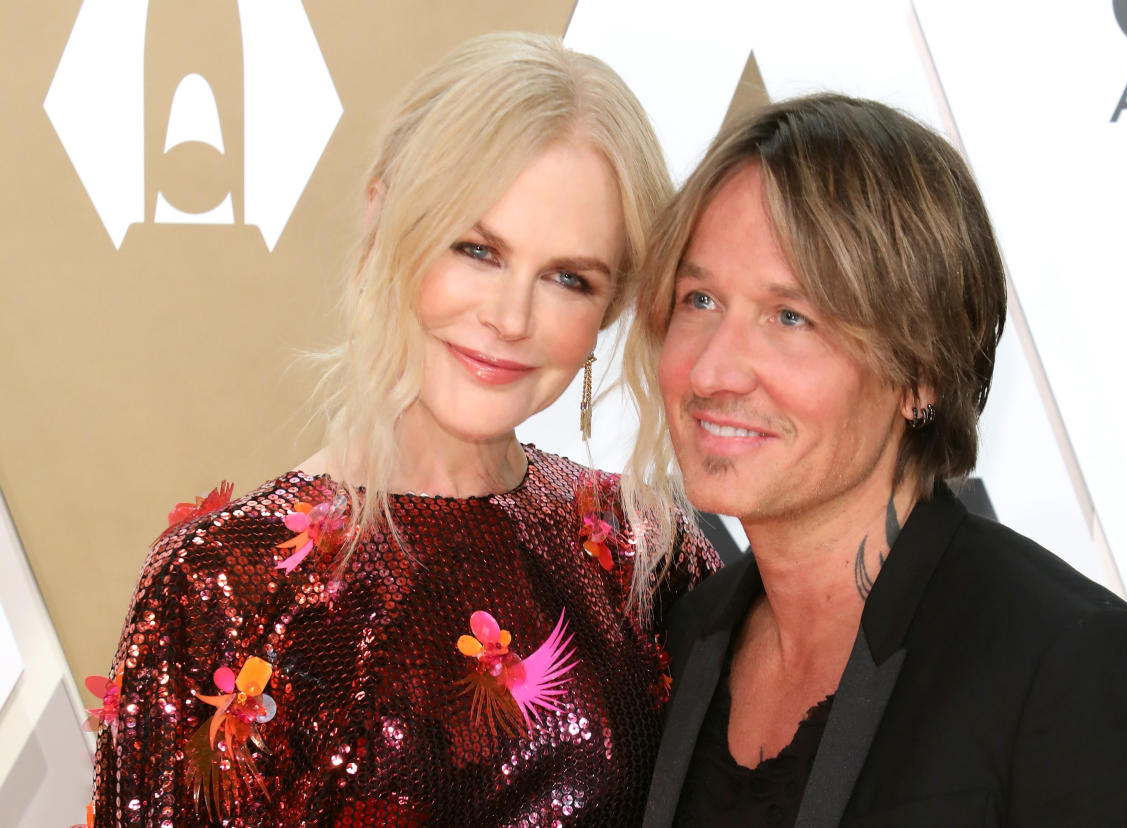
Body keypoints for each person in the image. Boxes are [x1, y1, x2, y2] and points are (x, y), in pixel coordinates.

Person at [87, 33, 718, 827]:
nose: (510, 318)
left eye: (568, 278)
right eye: (478, 249)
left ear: (610, 308)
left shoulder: (641, 551)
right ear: (383, 216)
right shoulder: (222, 588)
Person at [626, 94, 1127, 826]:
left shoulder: (1073, 671)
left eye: (792, 317)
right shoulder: (687, 635)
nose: (715, 369)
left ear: (921, 373)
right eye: (699, 300)